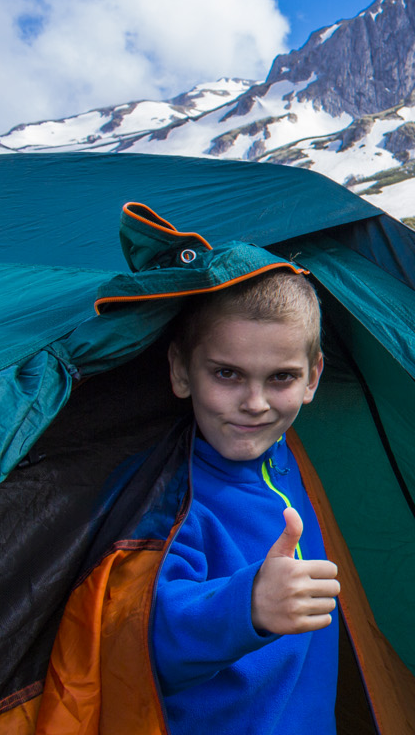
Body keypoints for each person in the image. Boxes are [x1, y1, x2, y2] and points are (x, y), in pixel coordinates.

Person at [152, 269, 340, 733]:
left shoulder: (288, 456)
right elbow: (135, 643)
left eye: (281, 378)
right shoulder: (169, 497)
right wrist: (247, 606)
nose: (255, 403)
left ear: (312, 377)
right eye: (227, 374)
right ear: (181, 370)